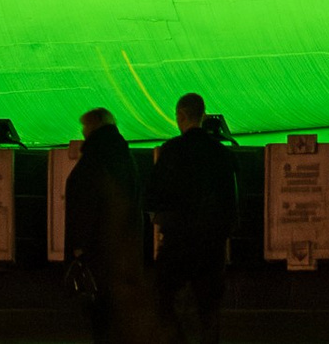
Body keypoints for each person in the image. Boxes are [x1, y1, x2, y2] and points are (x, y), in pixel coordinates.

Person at [146, 95, 236, 344]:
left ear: (181, 116)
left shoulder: (172, 150)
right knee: (208, 310)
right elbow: (231, 200)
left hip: (177, 242)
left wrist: (163, 222)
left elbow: (153, 196)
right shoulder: (219, 152)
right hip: (211, 244)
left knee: (163, 299)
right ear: (202, 115)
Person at [64, 108, 153, 344]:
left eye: (84, 128)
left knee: (102, 310)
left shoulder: (95, 156)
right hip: (127, 246)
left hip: (101, 249)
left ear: (93, 127)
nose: (82, 133)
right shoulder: (123, 154)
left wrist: (79, 245)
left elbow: (86, 204)